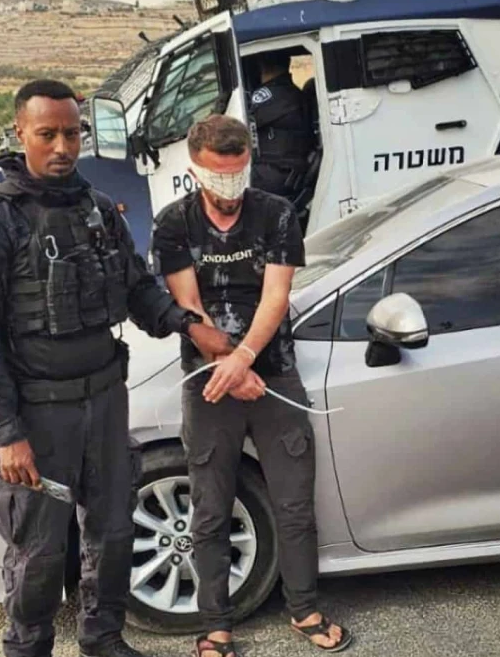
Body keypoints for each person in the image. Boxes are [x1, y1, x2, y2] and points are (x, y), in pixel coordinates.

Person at [0, 80, 233, 657]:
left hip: (104, 403)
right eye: (46, 134)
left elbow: (137, 290)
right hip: (40, 417)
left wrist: (188, 324)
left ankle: (103, 641)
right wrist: (9, 434)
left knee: (114, 533)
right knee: (39, 550)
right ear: (20, 133)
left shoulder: (99, 211)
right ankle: (27, 647)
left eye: (72, 133)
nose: (61, 147)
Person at [151, 114, 352, 657]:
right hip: (209, 378)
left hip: (273, 370)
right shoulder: (174, 224)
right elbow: (188, 309)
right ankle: (216, 625)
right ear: (195, 171)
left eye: (239, 174)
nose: (230, 188)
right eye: (219, 177)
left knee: (293, 504)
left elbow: (275, 298)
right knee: (211, 509)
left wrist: (245, 358)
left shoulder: (277, 214)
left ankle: (304, 608)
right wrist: (231, 368)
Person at [245, 50, 317, 206]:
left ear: (260, 66)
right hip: (289, 173)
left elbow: (236, 125)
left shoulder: (269, 95)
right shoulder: (293, 93)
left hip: (274, 175)